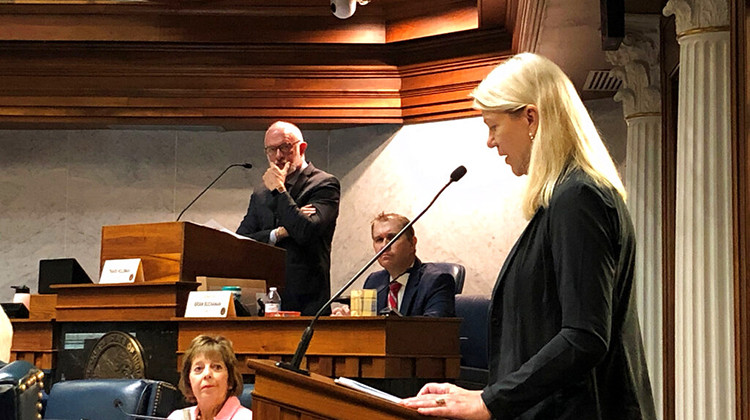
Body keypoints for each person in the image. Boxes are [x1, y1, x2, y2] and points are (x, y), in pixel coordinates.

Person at [402, 53, 656, 419]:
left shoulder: (578, 198)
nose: (490, 142)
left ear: (530, 118)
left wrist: (490, 401)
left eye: (493, 126)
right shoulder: (565, 198)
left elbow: (584, 337)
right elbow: (543, 334)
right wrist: (484, 392)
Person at [237, 121, 341, 316]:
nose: (278, 156)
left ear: (301, 148)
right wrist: (278, 233)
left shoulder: (323, 184)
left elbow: (305, 232)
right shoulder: (261, 192)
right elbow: (243, 241)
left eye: (285, 147)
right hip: (265, 302)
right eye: (271, 150)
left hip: (307, 304)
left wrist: (279, 190)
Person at [333, 212, 456, 317]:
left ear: (412, 243)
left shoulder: (436, 281)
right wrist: (351, 322)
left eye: (392, 238)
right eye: (379, 240)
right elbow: (367, 331)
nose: (384, 245)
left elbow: (435, 331)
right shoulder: (374, 281)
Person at [169, 335, 252, 420]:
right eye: (198, 368)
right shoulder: (177, 417)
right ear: (189, 381)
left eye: (217, 367)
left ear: (230, 380)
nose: (207, 373)